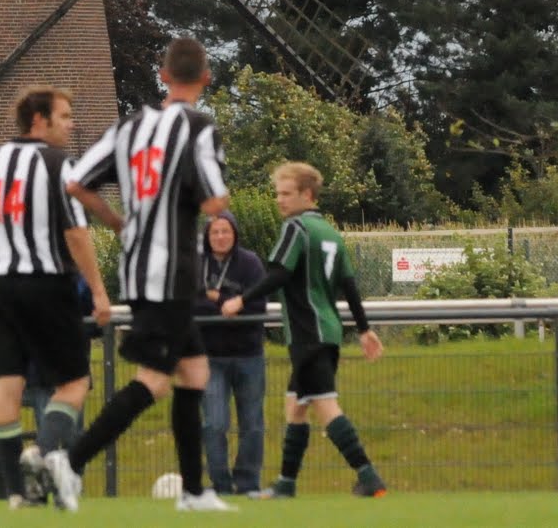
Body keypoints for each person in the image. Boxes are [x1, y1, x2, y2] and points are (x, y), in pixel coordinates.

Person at [43, 37, 234, 513]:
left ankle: (193, 491)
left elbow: (76, 182)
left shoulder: (129, 126)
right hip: (170, 272)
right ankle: (71, 460)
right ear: (205, 78)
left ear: (163, 76)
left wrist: (117, 221)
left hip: (139, 265)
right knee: (155, 379)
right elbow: (215, 199)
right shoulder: (198, 127)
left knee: (195, 372)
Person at [0, 85, 115, 509]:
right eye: (64, 117)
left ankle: (19, 492)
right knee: (74, 382)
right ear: (39, 120)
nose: (71, 125)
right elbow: (76, 233)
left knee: (6, 387)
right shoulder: (59, 165)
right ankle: (44, 455)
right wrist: (98, 291)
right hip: (45, 282)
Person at [222, 161, 388, 499]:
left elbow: (279, 274)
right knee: (296, 406)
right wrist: (364, 329)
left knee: (325, 406)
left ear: (308, 195)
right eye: (278, 194)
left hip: (308, 333)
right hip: (327, 332)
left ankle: (368, 476)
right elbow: (349, 284)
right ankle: (286, 483)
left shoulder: (296, 228)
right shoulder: (330, 232)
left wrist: (241, 299)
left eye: (286, 193)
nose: (279, 200)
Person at [193, 210, 268, 496]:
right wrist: (229, 304)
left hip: (249, 355)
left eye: (226, 231)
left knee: (252, 424)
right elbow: (191, 305)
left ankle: (248, 483)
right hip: (210, 357)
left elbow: (258, 306)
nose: (221, 236)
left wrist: (218, 298)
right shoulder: (196, 265)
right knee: (214, 423)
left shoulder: (250, 264)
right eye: (215, 232)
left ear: (234, 234)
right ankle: (221, 485)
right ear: (207, 236)